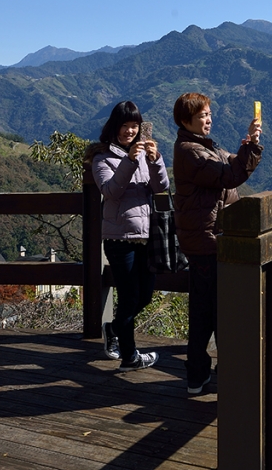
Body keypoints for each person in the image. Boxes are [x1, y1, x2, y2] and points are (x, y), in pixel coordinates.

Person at [172, 92, 263, 395]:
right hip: (206, 243)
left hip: (209, 240)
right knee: (211, 312)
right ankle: (211, 375)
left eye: (209, 114)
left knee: (209, 310)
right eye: (202, 116)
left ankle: (202, 375)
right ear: (186, 121)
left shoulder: (202, 147)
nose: (208, 119)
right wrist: (249, 148)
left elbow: (230, 165)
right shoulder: (190, 151)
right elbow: (230, 175)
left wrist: (248, 143)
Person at [89, 101, 169, 372]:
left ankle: (113, 328)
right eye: (125, 125)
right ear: (115, 126)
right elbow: (110, 191)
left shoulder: (146, 154)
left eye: (135, 125)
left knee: (144, 296)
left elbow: (161, 187)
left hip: (146, 236)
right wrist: (130, 161)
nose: (130, 131)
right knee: (129, 298)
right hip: (119, 238)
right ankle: (130, 356)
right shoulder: (102, 158)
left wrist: (156, 160)